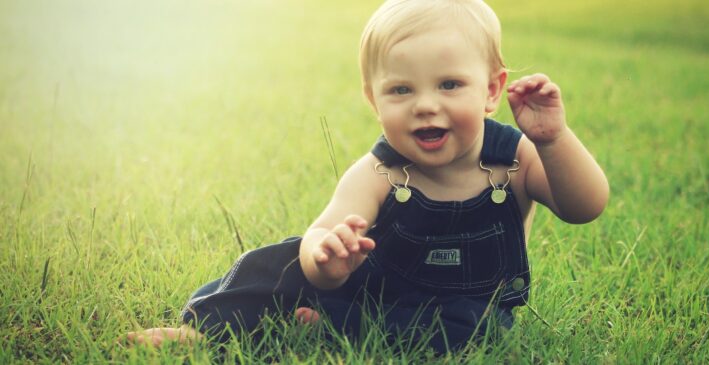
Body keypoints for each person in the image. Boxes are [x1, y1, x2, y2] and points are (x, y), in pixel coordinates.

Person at [126, 0, 608, 352]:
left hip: (462, 310)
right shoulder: (380, 170)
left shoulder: (517, 158)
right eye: (401, 89)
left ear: (491, 90)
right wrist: (326, 258)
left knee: (474, 330)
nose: (425, 104)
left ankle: (330, 329)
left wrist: (553, 140)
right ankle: (205, 328)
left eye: (449, 84)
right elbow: (325, 230)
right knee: (279, 261)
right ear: (374, 101)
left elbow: (583, 207)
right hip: (372, 288)